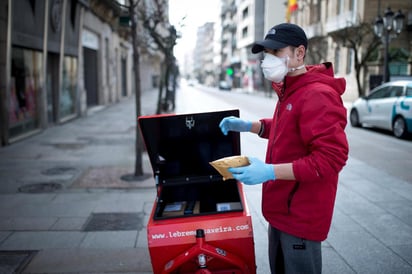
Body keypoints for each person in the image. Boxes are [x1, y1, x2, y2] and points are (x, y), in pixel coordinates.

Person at [219, 23, 349, 274]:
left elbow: (331, 159)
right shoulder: (291, 89)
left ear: (299, 53)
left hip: (300, 217)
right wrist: (249, 126)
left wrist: (269, 172)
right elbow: (287, 129)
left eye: (276, 52)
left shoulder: (317, 94)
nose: (268, 60)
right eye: (266, 53)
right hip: (281, 211)